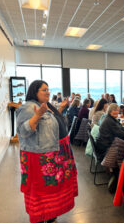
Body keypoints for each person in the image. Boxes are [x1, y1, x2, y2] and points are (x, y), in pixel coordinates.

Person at [16, 80, 78, 223]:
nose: (48, 92)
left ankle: (50, 215)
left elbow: (50, 125)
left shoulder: (46, 106)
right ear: (34, 91)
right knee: (42, 191)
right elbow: (23, 132)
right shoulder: (28, 107)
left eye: (48, 89)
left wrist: (60, 110)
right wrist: (37, 116)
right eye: (44, 90)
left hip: (57, 152)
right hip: (41, 157)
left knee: (53, 189)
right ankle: (41, 217)